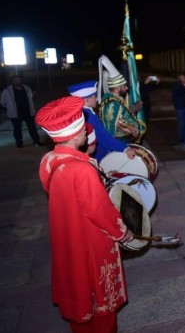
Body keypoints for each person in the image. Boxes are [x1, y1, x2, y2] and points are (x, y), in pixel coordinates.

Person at [35, 96, 134, 332]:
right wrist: (123, 232)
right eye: (83, 128)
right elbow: (99, 211)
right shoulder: (82, 170)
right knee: (101, 304)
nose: (85, 132)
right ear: (76, 134)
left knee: (78, 290)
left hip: (68, 237)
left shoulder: (48, 160)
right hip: (90, 240)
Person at [68, 80, 135, 162]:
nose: (97, 99)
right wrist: (124, 148)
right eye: (95, 96)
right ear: (87, 100)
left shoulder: (81, 112)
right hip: (98, 155)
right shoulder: (89, 116)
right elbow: (104, 138)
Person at [99, 71, 146, 144]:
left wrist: (134, 108)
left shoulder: (116, 98)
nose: (127, 88)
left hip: (123, 138)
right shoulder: (112, 103)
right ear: (118, 88)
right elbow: (115, 122)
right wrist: (131, 129)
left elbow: (122, 114)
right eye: (124, 86)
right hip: (119, 140)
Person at [0, 75, 42, 148]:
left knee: (32, 128)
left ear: (21, 80)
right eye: (15, 80)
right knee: (17, 129)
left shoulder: (27, 88)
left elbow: (30, 97)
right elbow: (3, 102)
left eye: (18, 80)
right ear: (12, 82)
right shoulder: (7, 91)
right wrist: (11, 108)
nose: (17, 81)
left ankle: (36, 141)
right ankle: (19, 143)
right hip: (15, 114)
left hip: (28, 112)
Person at [172, 73, 185, 145]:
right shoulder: (177, 86)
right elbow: (179, 95)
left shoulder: (184, 85)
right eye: (183, 77)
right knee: (181, 122)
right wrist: (184, 86)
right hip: (180, 106)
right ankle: (181, 137)